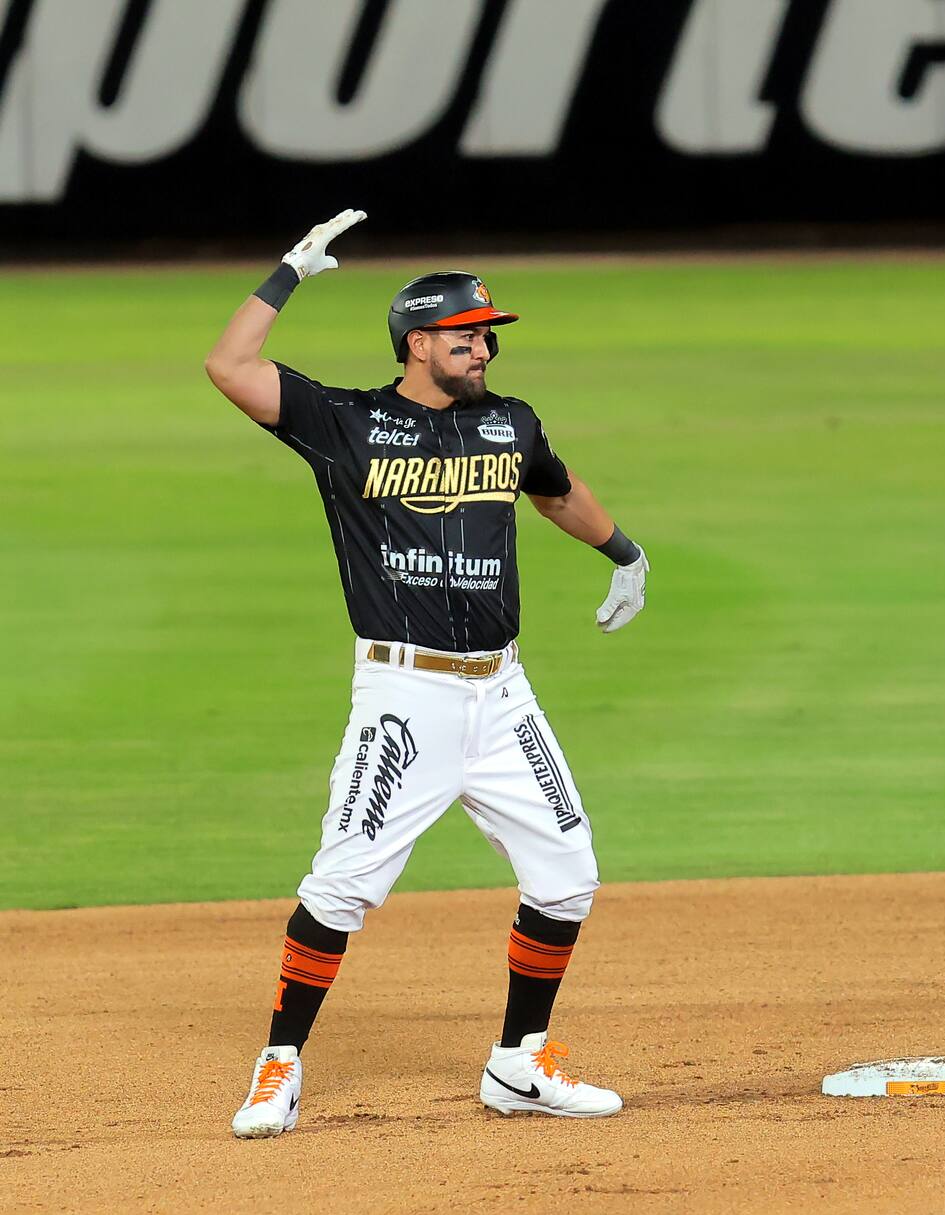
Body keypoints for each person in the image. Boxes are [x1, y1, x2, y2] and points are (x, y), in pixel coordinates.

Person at [204, 210, 649, 1137]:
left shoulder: (510, 423)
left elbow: (556, 488)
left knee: (568, 873)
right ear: (418, 343)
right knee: (343, 883)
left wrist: (624, 552)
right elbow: (230, 368)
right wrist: (289, 271)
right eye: (464, 333)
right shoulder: (348, 423)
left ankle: (519, 1065)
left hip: (503, 690)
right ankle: (278, 1068)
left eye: (488, 332)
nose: (483, 344)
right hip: (406, 693)